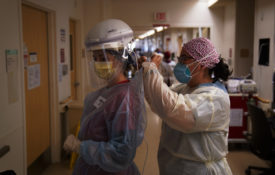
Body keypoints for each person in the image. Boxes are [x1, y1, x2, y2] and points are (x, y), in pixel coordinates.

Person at [63, 19, 146, 175]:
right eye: (96, 58)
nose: (98, 63)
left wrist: (81, 147)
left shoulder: (125, 97)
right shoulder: (104, 93)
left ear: (121, 57)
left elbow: (122, 153)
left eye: (104, 58)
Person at [141, 37, 233, 175]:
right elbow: (157, 102)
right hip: (175, 167)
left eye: (184, 59)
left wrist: (151, 70)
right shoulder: (184, 88)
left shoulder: (215, 99)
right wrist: (146, 74)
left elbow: (171, 108)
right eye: (180, 58)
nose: (180, 64)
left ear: (202, 64)